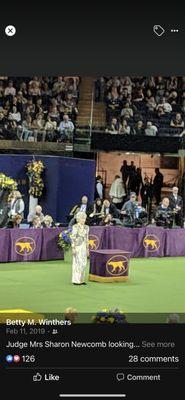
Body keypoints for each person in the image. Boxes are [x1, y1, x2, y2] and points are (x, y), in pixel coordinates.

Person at [70, 211, 89, 285]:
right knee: (78, 262)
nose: (83, 220)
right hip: (77, 246)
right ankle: (76, 280)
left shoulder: (87, 227)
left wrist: (88, 249)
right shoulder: (75, 227)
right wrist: (73, 248)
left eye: (84, 218)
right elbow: (73, 238)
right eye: (82, 218)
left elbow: (87, 238)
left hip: (84, 246)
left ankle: (82, 279)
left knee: (84, 263)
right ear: (78, 219)